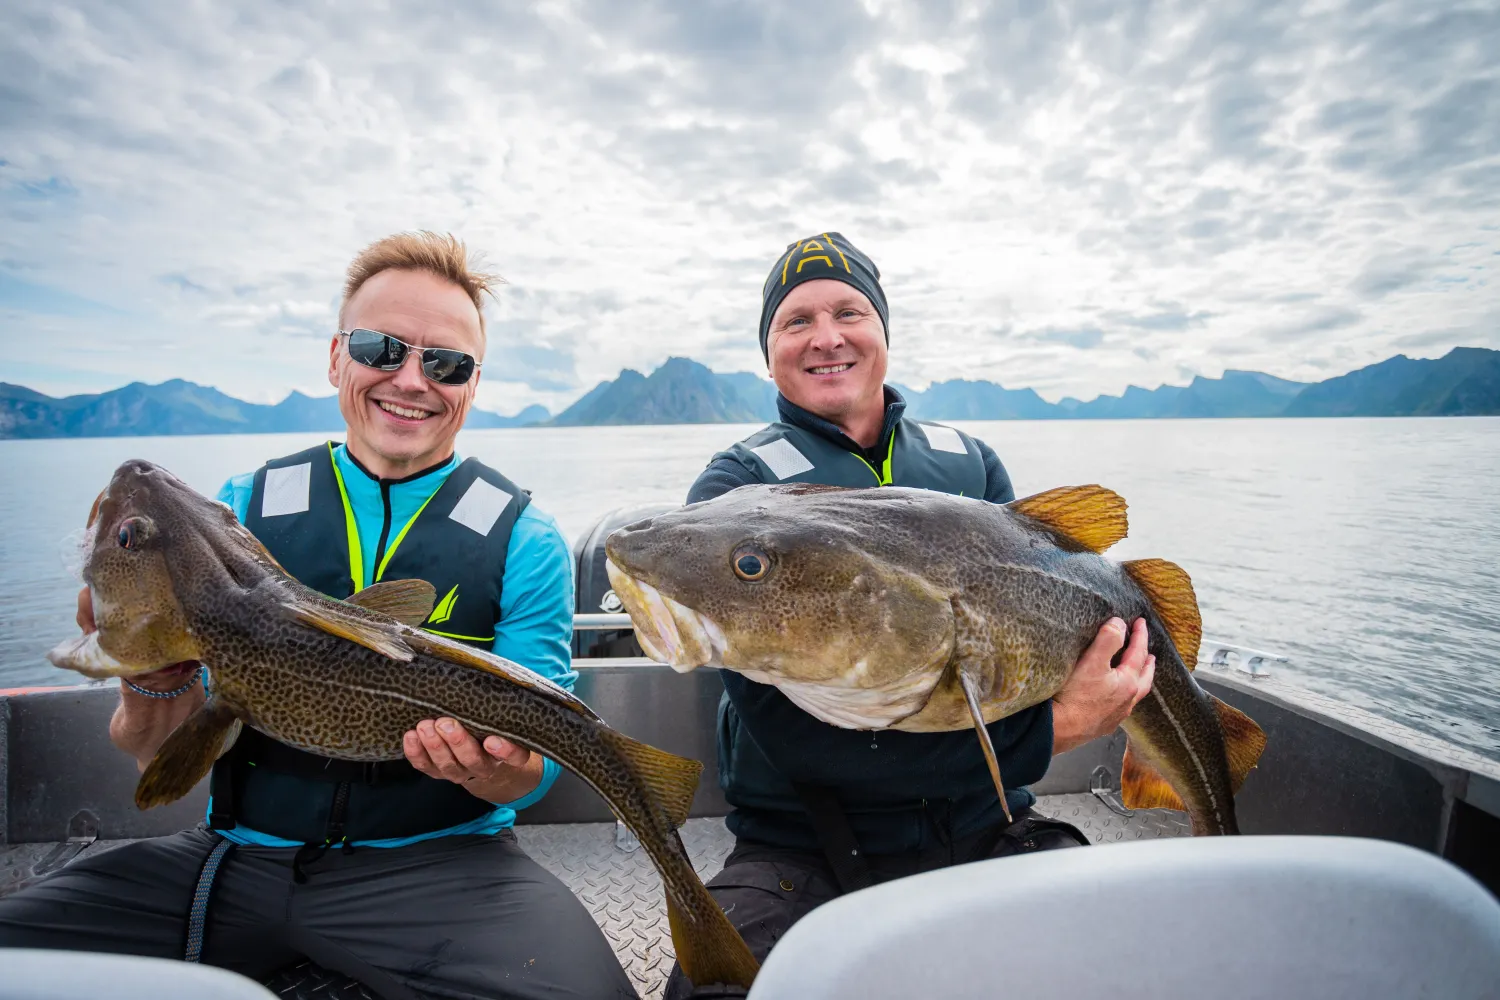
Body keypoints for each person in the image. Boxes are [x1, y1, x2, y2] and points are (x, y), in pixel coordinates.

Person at [0, 232, 637, 1000]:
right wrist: (153, 676)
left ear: (472, 384)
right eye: (381, 348)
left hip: (444, 864)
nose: (412, 379)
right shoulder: (236, 511)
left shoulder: (526, 538)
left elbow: (535, 774)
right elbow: (153, 754)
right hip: (232, 857)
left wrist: (501, 770)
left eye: (446, 362)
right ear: (336, 357)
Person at [664, 233, 1157, 998]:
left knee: (1130, 968)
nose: (826, 336)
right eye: (795, 322)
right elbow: (797, 739)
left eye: (849, 311)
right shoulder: (737, 497)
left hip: (988, 825)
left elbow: (1031, 626)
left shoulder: (973, 466)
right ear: (769, 355)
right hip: (802, 848)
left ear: (884, 333)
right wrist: (1056, 732)